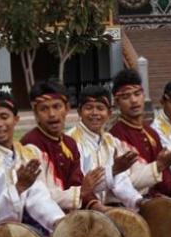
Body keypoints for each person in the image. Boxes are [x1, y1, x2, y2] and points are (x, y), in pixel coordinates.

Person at [0, 91, 64, 237]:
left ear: (16, 119)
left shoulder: (25, 153)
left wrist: (56, 220)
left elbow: (38, 195)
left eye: (4, 117)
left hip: (28, 225)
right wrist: (17, 189)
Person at [20, 80, 107, 212]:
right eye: (44, 109)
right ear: (36, 113)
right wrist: (80, 192)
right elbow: (37, 197)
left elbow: (78, 185)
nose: (52, 114)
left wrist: (98, 207)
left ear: (67, 108)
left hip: (71, 216)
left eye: (56, 107)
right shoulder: (30, 145)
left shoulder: (69, 143)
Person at [108, 69, 171, 199]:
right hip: (132, 204)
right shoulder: (115, 137)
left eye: (137, 94)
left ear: (143, 95)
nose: (134, 100)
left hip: (157, 199)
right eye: (126, 97)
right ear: (117, 102)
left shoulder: (151, 133)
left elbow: (164, 174)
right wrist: (159, 165)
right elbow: (128, 182)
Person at [67, 86, 145, 208]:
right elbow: (82, 184)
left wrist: (138, 201)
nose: (94, 113)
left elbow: (120, 181)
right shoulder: (70, 141)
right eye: (88, 108)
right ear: (79, 112)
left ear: (109, 113)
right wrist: (113, 170)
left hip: (104, 209)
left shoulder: (111, 141)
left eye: (100, 108)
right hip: (80, 210)